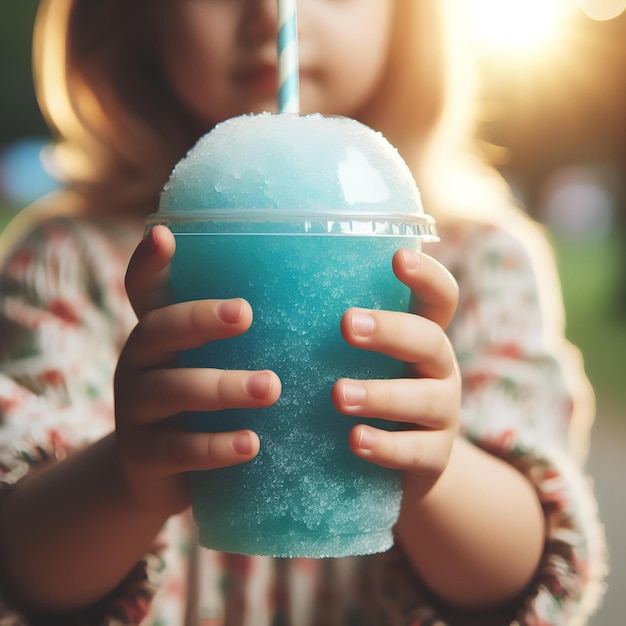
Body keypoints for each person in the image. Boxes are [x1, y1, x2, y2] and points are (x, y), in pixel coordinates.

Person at [0, 1, 607, 624]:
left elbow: (520, 574)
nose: (271, 13)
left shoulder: (480, 265)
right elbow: (21, 561)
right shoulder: (67, 265)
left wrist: (436, 469)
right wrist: (123, 480)